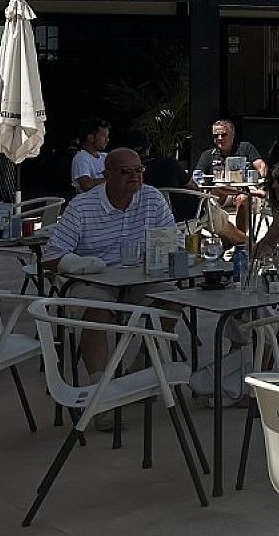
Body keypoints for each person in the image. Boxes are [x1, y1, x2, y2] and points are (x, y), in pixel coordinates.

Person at [39, 148, 176, 375]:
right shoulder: (82, 206)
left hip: (140, 277)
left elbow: (173, 240)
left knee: (172, 300)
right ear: (107, 175)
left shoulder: (152, 197)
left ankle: (144, 363)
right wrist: (82, 265)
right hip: (92, 281)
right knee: (97, 314)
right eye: (125, 172)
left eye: (139, 170)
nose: (135, 176)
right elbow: (51, 256)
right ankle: (99, 387)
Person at [129, 129, 197, 223]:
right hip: (177, 217)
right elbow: (192, 186)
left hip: (138, 217)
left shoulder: (124, 173)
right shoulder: (169, 164)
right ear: (149, 147)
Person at [196, 118, 265, 180]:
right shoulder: (208, 155)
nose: (219, 138)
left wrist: (261, 180)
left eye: (224, 135)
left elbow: (261, 166)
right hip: (219, 192)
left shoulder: (246, 148)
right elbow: (196, 176)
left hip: (246, 189)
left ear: (233, 135)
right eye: (216, 136)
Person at [71, 118, 110, 193]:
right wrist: (112, 179)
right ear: (91, 138)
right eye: (104, 136)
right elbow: (86, 185)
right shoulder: (81, 157)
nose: (107, 139)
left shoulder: (105, 156)